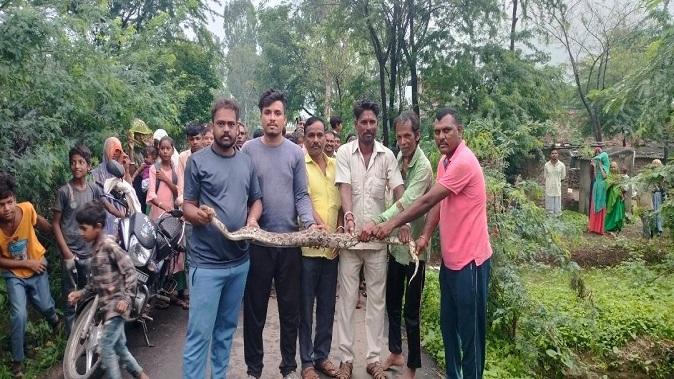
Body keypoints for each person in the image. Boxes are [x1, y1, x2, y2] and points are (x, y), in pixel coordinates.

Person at [370, 107, 493, 379]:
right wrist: (425, 234)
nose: (441, 136)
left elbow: (425, 200)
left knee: (470, 335)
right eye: (437, 132)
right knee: (449, 328)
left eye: (447, 130)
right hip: (451, 263)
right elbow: (438, 204)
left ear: (460, 131)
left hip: (471, 263)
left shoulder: (463, 162)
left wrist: (389, 223)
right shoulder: (444, 162)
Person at [181, 98, 263, 378]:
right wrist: (198, 215)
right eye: (220, 124)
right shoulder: (197, 161)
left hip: (239, 263)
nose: (226, 129)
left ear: (238, 126)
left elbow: (257, 200)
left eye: (231, 124)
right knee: (199, 335)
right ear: (212, 126)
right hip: (206, 265)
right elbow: (187, 205)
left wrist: (252, 219)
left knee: (226, 331)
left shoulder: (246, 162)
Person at [242, 89, 317, 379]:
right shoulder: (247, 150)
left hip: (289, 244)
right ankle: (253, 370)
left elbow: (301, 194)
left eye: (277, 113)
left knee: (290, 311)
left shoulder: (295, 153)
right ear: (260, 116)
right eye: (267, 112)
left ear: (285, 118)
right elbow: (246, 194)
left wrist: (309, 223)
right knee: (255, 311)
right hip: (258, 242)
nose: (272, 118)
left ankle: (288, 368)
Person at [334, 99, 405, 379]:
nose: (367, 127)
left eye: (372, 122)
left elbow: (399, 189)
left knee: (376, 302)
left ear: (377, 124)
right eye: (363, 122)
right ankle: (346, 360)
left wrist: (400, 220)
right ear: (356, 124)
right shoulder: (344, 152)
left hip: (377, 244)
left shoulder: (387, 155)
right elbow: (345, 187)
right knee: (347, 301)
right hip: (350, 243)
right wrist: (348, 215)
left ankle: (374, 359)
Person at [362, 111, 433, 379]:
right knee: (391, 304)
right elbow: (390, 193)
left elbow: (409, 202)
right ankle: (395, 352)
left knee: (411, 311)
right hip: (394, 248)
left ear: (417, 136)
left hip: (415, 251)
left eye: (408, 136)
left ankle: (412, 367)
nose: (403, 141)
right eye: (400, 136)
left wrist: (381, 221)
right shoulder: (397, 159)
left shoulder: (423, 167)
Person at [67, 201, 149, 379]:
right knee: (119, 348)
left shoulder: (109, 247)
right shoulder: (95, 251)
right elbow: (95, 285)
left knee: (105, 348)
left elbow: (130, 272)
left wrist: (126, 299)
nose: (81, 233)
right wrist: (79, 294)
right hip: (106, 309)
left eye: (84, 228)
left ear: (98, 227)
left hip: (116, 308)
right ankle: (142, 375)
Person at [0, 172, 59, 377]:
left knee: (44, 305)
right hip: (13, 273)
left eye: (9, 202)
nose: (6, 208)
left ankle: (55, 322)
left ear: (15, 200)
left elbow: (43, 224)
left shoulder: (26, 209)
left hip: (38, 265)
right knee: (19, 314)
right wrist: (27, 263)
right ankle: (18, 360)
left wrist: (58, 231)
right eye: (1, 204)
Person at [299, 117, 342, 379]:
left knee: (327, 305)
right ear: (304, 138)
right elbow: (301, 200)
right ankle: (306, 362)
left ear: (326, 137)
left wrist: (337, 229)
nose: (316, 140)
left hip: (332, 250)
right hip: (308, 250)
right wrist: (318, 225)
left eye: (320, 135)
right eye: (311, 135)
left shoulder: (338, 166)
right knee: (306, 307)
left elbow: (340, 203)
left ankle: (322, 356)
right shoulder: (300, 165)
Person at [52, 145, 108, 335]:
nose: (76, 166)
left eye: (81, 162)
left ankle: (87, 337)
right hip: (72, 254)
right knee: (71, 299)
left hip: (89, 252)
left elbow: (100, 214)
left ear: (88, 166)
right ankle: (70, 342)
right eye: (73, 162)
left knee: (90, 295)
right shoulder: (64, 191)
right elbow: (56, 224)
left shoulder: (93, 189)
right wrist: (66, 252)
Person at [147, 136, 187, 308]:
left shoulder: (176, 168)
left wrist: (166, 179)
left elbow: (179, 191)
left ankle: (177, 293)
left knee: (177, 254)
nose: (164, 151)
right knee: (158, 253)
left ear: (172, 149)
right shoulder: (153, 169)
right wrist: (164, 207)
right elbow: (151, 195)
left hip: (174, 216)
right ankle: (158, 292)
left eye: (168, 148)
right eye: (162, 148)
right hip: (158, 216)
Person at [91, 137, 129, 236]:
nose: (115, 154)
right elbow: (101, 201)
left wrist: (126, 169)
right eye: (112, 151)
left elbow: (129, 190)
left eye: (118, 151)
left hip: (122, 221)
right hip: (104, 221)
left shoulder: (120, 171)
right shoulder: (96, 173)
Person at [177, 121, 205, 206]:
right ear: (188, 140)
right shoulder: (183, 156)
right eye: (192, 139)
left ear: (202, 138)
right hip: (187, 197)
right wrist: (182, 198)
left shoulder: (208, 156)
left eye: (197, 138)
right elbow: (181, 180)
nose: (195, 142)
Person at [130, 146, 158, 214]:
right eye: (144, 157)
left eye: (147, 157)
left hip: (151, 184)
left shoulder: (155, 166)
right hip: (145, 184)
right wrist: (133, 177)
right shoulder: (144, 165)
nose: (145, 159)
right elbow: (137, 171)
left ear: (154, 158)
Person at [589, 147, 609, 235]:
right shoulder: (596, 165)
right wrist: (594, 166)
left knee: (600, 204)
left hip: (602, 185)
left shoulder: (606, 166)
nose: (597, 154)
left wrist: (600, 165)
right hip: (596, 185)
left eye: (599, 152)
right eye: (596, 153)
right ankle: (593, 227)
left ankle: (600, 228)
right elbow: (594, 176)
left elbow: (605, 176)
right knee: (594, 204)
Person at [605, 161, 626, 233]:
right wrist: (612, 183)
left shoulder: (619, 176)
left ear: (617, 168)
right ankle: (609, 226)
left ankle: (616, 226)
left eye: (614, 167)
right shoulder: (608, 175)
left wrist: (622, 194)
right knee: (610, 210)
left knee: (617, 210)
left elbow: (621, 187)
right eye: (611, 167)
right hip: (611, 196)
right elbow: (606, 185)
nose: (612, 168)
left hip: (618, 196)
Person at [544, 149, 566, 216]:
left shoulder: (561, 165)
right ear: (550, 155)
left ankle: (557, 216)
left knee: (557, 205)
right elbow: (545, 176)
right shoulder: (546, 165)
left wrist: (557, 182)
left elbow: (563, 177)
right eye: (552, 153)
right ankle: (549, 216)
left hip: (557, 188)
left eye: (555, 153)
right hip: (549, 187)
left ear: (558, 155)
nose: (554, 154)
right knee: (549, 205)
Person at [651, 159, 665, 236]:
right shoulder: (650, 174)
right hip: (653, 195)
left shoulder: (661, 175)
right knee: (653, 211)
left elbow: (662, 186)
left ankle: (659, 228)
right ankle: (653, 228)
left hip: (658, 195)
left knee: (658, 211)